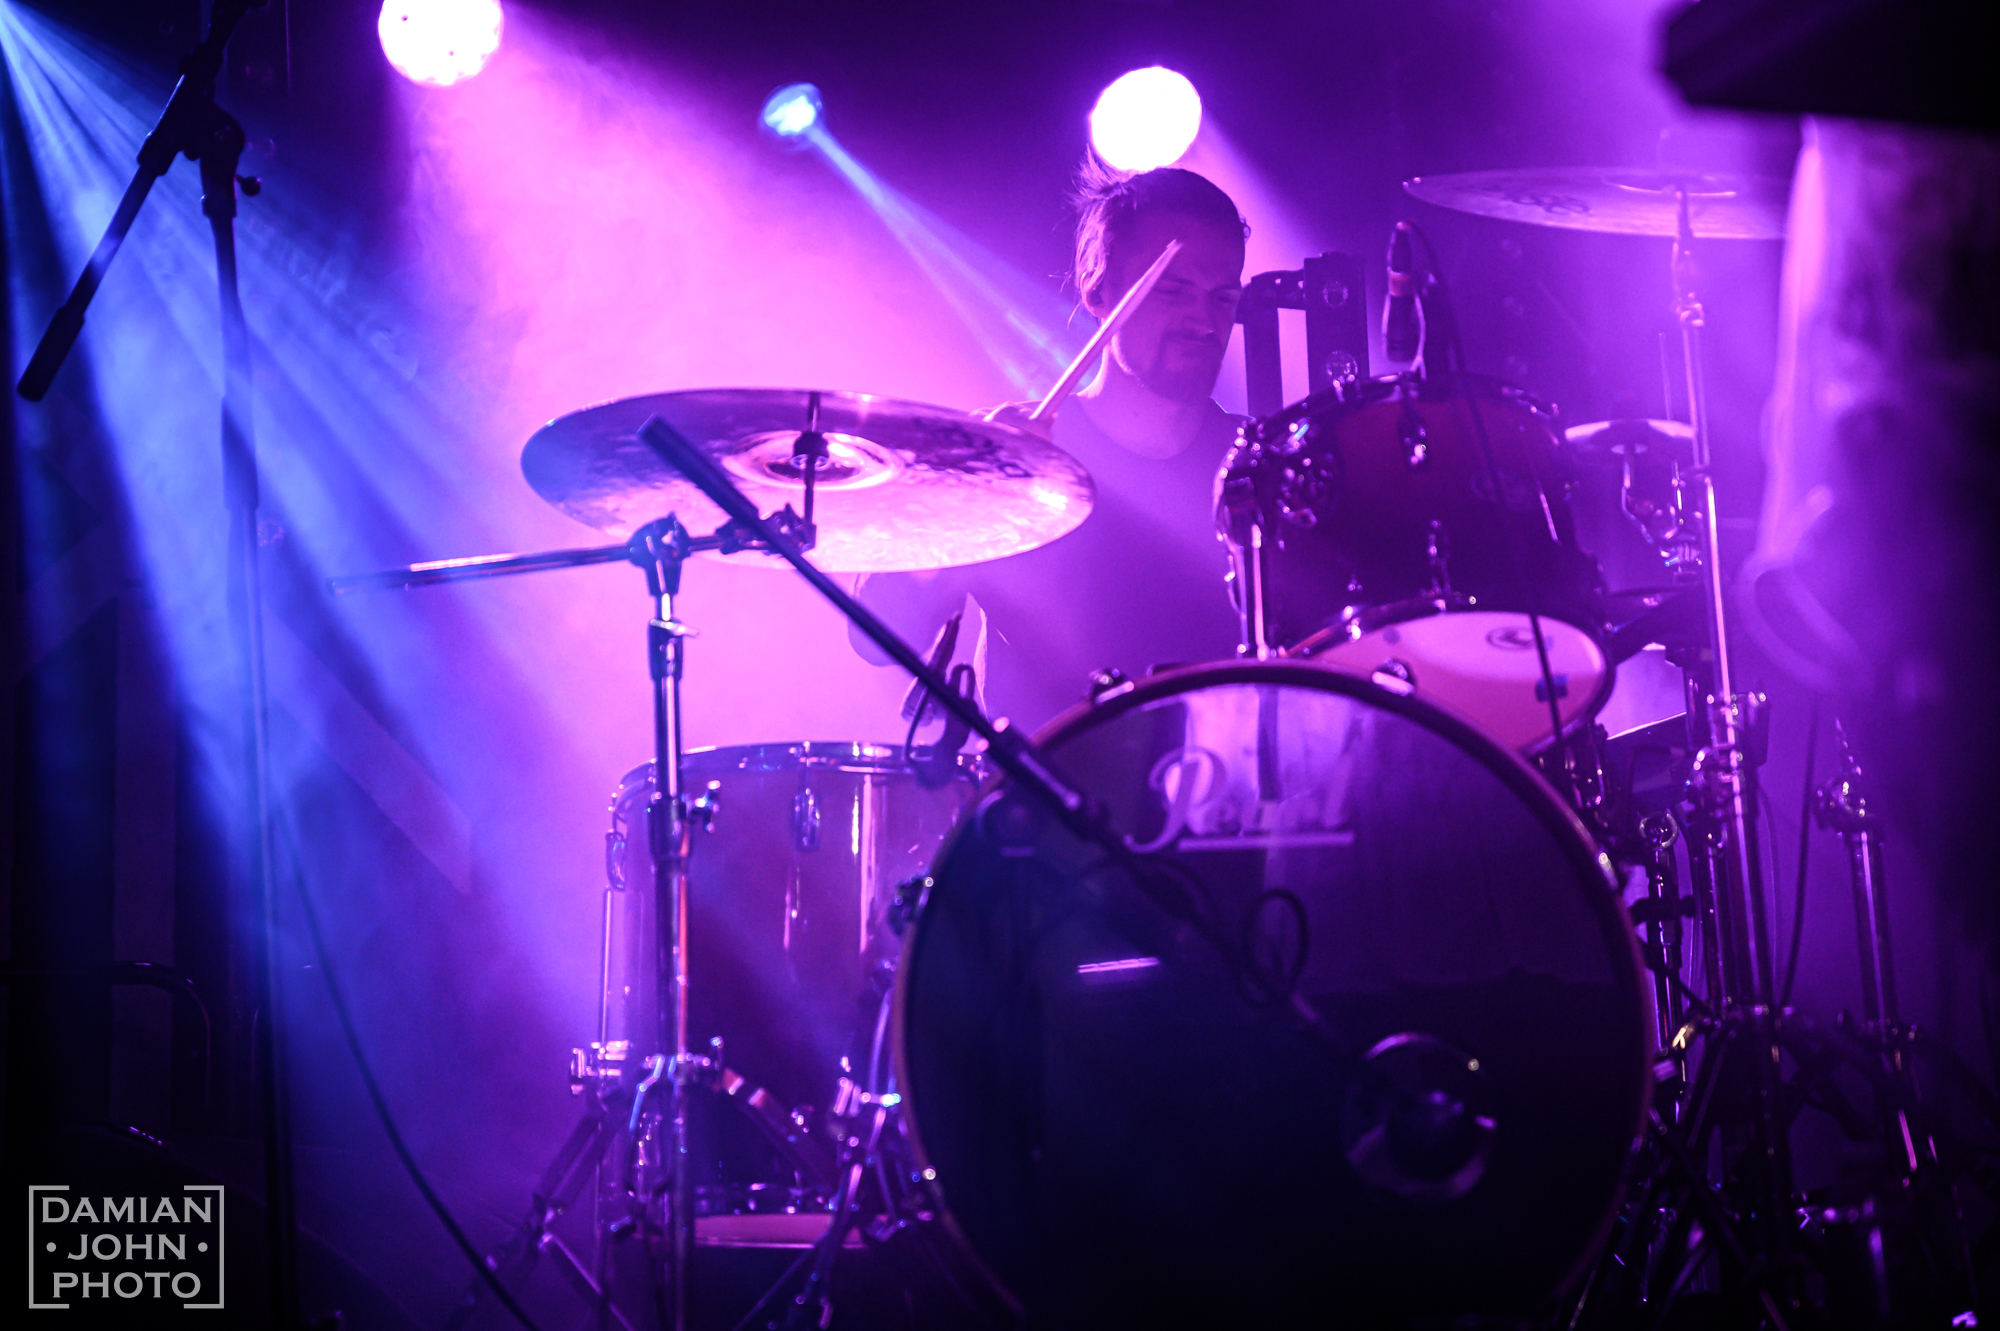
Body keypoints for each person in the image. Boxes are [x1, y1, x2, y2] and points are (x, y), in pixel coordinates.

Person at [851, 163, 1250, 734]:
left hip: (1231, 783)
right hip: (1042, 783)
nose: (1203, 321)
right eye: (1172, 289)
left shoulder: (1258, 467)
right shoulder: (1014, 457)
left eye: (1223, 297)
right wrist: (966, 488)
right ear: (1097, 288)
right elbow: (874, 635)